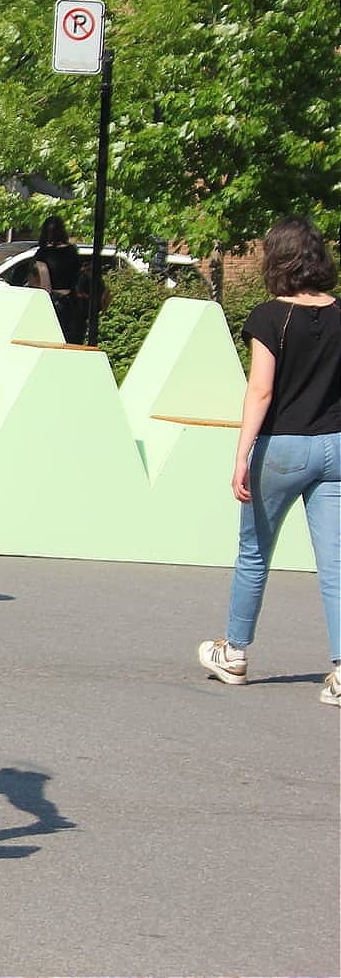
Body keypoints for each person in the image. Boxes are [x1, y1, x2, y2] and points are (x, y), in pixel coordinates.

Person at [198, 216, 339, 707]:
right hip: (336, 447)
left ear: (276, 259)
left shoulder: (269, 317)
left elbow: (261, 389)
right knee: (335, 562)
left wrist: (241, 456)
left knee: (255, 552)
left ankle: (234, 654)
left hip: (281, 446)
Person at [27, 216, 86, 342]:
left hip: (56, 304)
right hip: (75, 305)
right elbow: (79, 276)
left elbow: (45, 286)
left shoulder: (43, 254)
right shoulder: (72, 251)